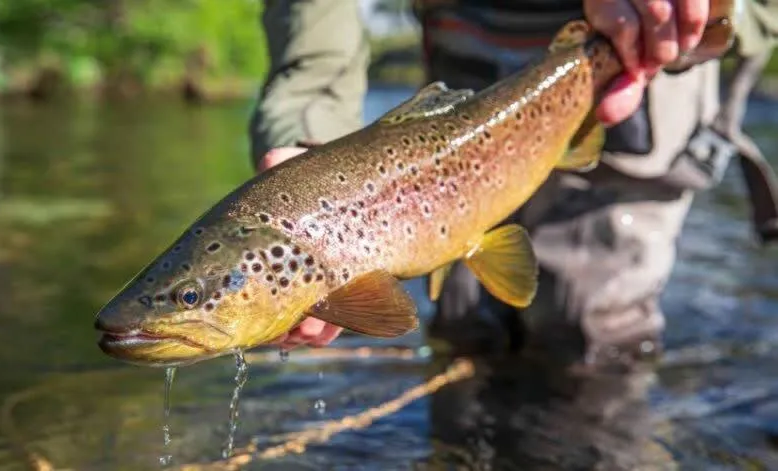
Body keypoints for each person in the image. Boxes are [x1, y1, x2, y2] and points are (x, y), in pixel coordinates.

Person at [247, 0, 777, 368]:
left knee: (593, 345)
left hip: (633, 71)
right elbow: (312, 28)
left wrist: (697, 16)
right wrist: (312, 138)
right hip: (456, 79)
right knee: (464, 336)